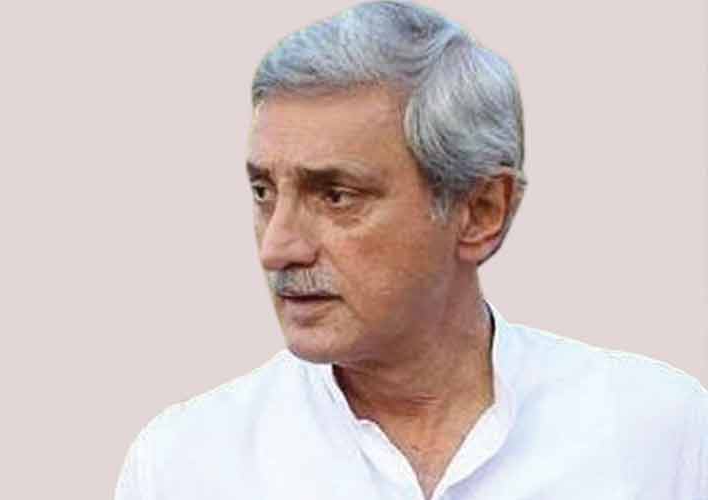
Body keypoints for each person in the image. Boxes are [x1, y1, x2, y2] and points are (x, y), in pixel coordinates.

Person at [115, 1, 707, 498]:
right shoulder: (184, 464)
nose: (277, 248)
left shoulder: (657, 434)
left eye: (336, 196)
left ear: (482, 211)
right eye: (264, 192)